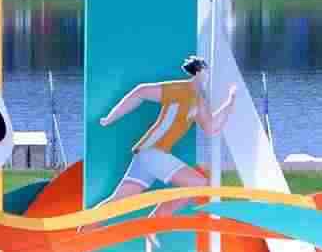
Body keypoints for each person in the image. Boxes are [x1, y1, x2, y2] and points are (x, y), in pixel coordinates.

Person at [98, 56, 247, 201]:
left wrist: (231, 101)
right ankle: (159, 216)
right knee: (199, 184)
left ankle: (90, 219)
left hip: (147, 155)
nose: (209, 76)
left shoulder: (199, 101)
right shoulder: (180, 89)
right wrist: (110, 118)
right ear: (199, 71)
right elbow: (140, 91)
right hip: (153, 152)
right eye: (207, 71)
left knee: (116, 202)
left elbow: (211, 127)